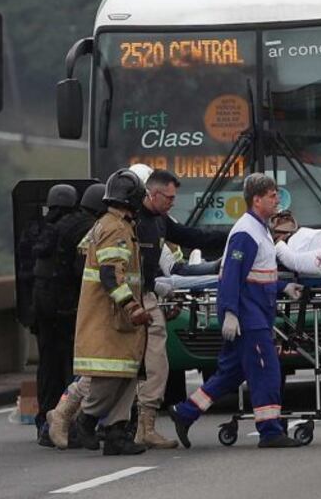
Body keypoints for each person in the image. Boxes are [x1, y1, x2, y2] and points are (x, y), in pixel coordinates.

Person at [168, 173, 304, 448]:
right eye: (271, 195)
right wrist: (230, 312)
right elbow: (231, 275)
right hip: (248, 316)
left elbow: (259, 273)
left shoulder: (259, 228)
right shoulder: (246, 232)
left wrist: (283, 287)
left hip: (254, 312)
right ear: (256, 200)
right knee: (267, 370)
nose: (276, 199)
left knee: (232, 372)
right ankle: (270, 432)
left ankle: (185, 412)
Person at [130, 167, 228, 448]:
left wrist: (232, 235)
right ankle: (69, 412)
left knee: (156, 363)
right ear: (154, 193)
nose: (173, 202)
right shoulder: (132, 222)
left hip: (146, 295)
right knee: (117, 365)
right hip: (126, 298)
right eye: (170, 198)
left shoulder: (160, 221)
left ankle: (144, 427)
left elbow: (191, 237)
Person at [73, 169, 152, 456]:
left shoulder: (111, 225)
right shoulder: (116, 229)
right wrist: (131, 306)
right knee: (109, 377)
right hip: (113, 316)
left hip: (120, 318)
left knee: (126, 374)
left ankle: (117, 432)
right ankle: (86, 420)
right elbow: (110, 274)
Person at [44, 183, 108, 450]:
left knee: (56, 368)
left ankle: (68, 420)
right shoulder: (92, 229)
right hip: (82, 306)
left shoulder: (53, 227)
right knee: (97, 367)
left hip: (51, 306)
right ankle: (68, 418)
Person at [29, 184, 78, 447]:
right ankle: (65, 421)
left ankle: (44, 423)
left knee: (47, 368)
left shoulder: (37, 230)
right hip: (65, 310)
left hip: (41, 310)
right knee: (71, 367)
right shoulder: (70, 231)